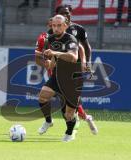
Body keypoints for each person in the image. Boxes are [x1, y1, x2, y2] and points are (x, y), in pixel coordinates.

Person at [53, 4, 98, 134]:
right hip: (60, 68)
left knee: (72, 98)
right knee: (63, 98)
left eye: (68, 13)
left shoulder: (78, 29)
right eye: (63, 13)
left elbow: (85, 47)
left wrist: (87, 63)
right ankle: (82, 119)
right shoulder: (54, 30)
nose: (66, 15)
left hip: (76, 69)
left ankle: (78, 121)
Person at [37, 15, 81, 142]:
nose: (55, 28)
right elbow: (53, 59)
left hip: (72, 79)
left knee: (68, 114)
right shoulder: (50, 39)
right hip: (57, 76)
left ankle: (69, 132)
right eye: (54, 26)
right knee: (43, 96)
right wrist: (49, 62)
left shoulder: (71, 39)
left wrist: (54, 53)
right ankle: (48, 121)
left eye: (59, 25)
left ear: (65, 26)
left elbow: (73, 57)